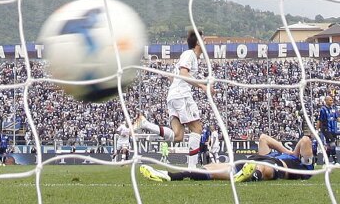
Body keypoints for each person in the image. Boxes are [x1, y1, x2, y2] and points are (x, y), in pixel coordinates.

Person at [134, 30, 209, 169]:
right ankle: (192, 169)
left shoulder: (188, 57)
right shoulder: (190, 54)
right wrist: (202, 86)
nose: (206, 42)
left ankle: (145, 124)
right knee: (197, 129)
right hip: (181, 95)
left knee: (178, 136)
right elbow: (183, 73)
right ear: (198, 42)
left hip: (173, 96)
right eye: (203, 39)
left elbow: (174, 76)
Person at [140, 132, 315, 183]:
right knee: (211, 168)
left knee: (262, 168)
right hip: (249, 162)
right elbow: (264, 138)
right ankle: (170, 176)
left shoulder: (302, 167)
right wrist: (287, 150)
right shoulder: (280, 153)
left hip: (275, 166)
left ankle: (250, 176)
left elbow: (306, 140)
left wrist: (294, 154)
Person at [317, 95, 337, 163]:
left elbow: (337, 118)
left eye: (332, 100)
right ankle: (335, 160)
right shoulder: (323, 109)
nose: (332, 101)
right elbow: (319, 120)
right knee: (332, 143)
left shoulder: (334, 109)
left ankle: (326, 159)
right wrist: (317, 130)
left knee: (329, 145)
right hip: (326, 129)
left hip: (333, 129)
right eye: (330, 100)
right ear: (326, 101)